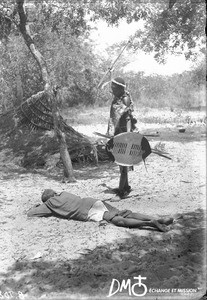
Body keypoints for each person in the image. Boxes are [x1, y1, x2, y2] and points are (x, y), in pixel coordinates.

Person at [27, 189, 173, 232]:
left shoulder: (50, 204)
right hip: (93, 201)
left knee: (119, 221)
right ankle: (157, 218)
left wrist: (36, 207)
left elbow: (31, 214)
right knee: (124, 212)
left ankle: (151, 223)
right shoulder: (64, 193)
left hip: (90, 212)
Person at [106, 77, 137, 200]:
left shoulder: (125, 99)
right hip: (118, 132)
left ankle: (121, 192)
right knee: (120, 162)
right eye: (112, 87)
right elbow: (113, 117)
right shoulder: (117, 98)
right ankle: (126, 186)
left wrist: (128, 135)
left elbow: (128, 118)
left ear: (120, 88)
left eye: (114, 88)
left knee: (123, 162)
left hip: (125, 133)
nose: (112, 89)